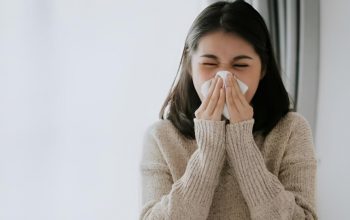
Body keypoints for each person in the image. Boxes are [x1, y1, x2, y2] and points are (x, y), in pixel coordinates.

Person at [139, 1, 318, 219]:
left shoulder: (291, 130)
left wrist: (242, 143)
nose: (224, 79)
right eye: (209, 64)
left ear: (262, 69)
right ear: (189, 66)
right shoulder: (161, 137)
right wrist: (209, 148)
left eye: (240, 65)